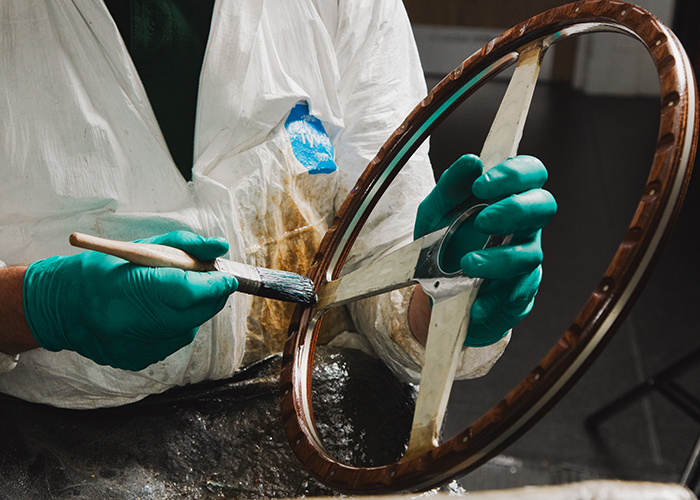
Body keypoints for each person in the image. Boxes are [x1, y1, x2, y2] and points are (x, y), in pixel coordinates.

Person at [0, 0, 556, 408]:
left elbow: (378, 249)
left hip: (312, 415)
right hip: (57, 445)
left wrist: (442, 296)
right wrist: (37, 308)